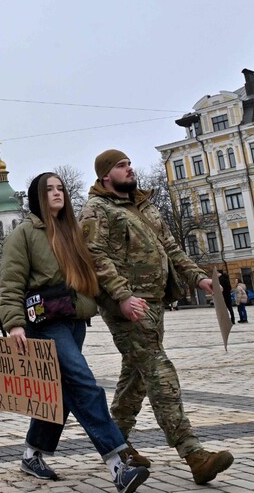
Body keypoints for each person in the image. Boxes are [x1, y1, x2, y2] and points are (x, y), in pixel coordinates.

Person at [80, 150, 234, 485]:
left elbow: (171, 247)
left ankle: (114, 442)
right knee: (157, 369)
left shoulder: (143, 204)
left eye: (129, 163)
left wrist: (199, 279)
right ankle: (193, 453)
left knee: (135, 376)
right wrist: (121, 296)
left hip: (154, 301)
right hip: (127, 307)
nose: (129, 168)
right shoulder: (97, 209)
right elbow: (94, 255)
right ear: (107, 175)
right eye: (121, 166)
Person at [0, 172, 150, 492]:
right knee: (83, 383)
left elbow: (92, 276)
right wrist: (13, 323)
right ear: (37, 197)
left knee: (60, 393)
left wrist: (121, 300)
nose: (57, 194)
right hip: (46, 323)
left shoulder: (73, 232)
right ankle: (118, 463)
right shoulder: (24, 234)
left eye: (61, 189)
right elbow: (10, 283)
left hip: (76, 321)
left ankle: (32, 453)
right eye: (49, 189)